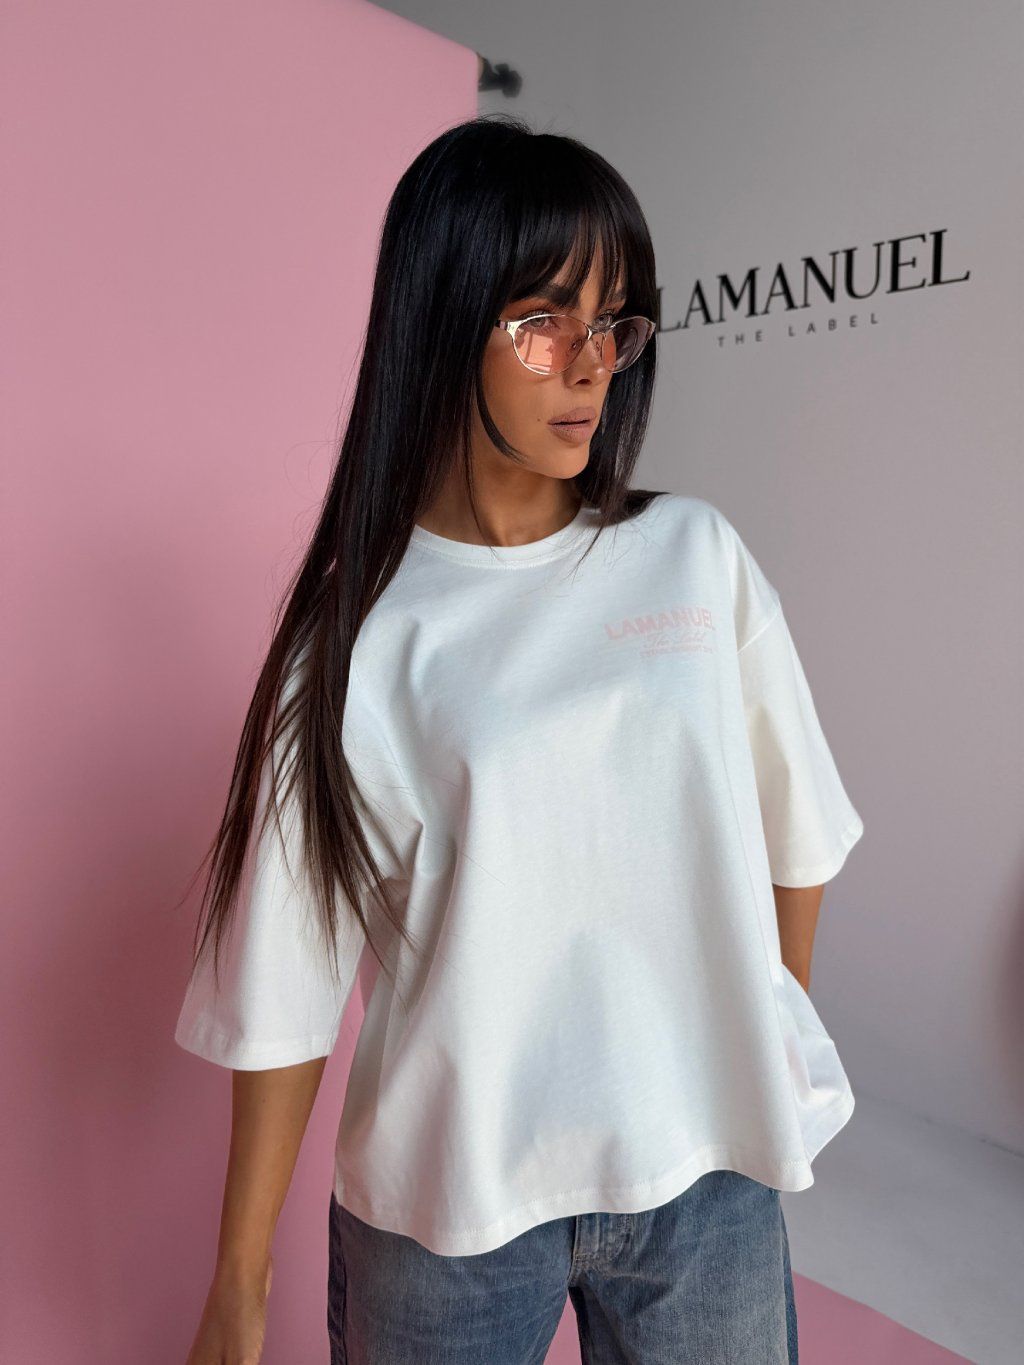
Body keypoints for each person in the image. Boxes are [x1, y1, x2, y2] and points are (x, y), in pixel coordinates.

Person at [176, 114, 864, 1365]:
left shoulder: (690, 558)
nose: (591, 366)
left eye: (614, 324)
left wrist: (757, 1040)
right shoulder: (357, 638)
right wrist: (238, 1280)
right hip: (448, 1206)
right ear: (442, 320)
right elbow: (283, 980)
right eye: (544, 322)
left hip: (705, 1187)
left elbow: (796, 829)